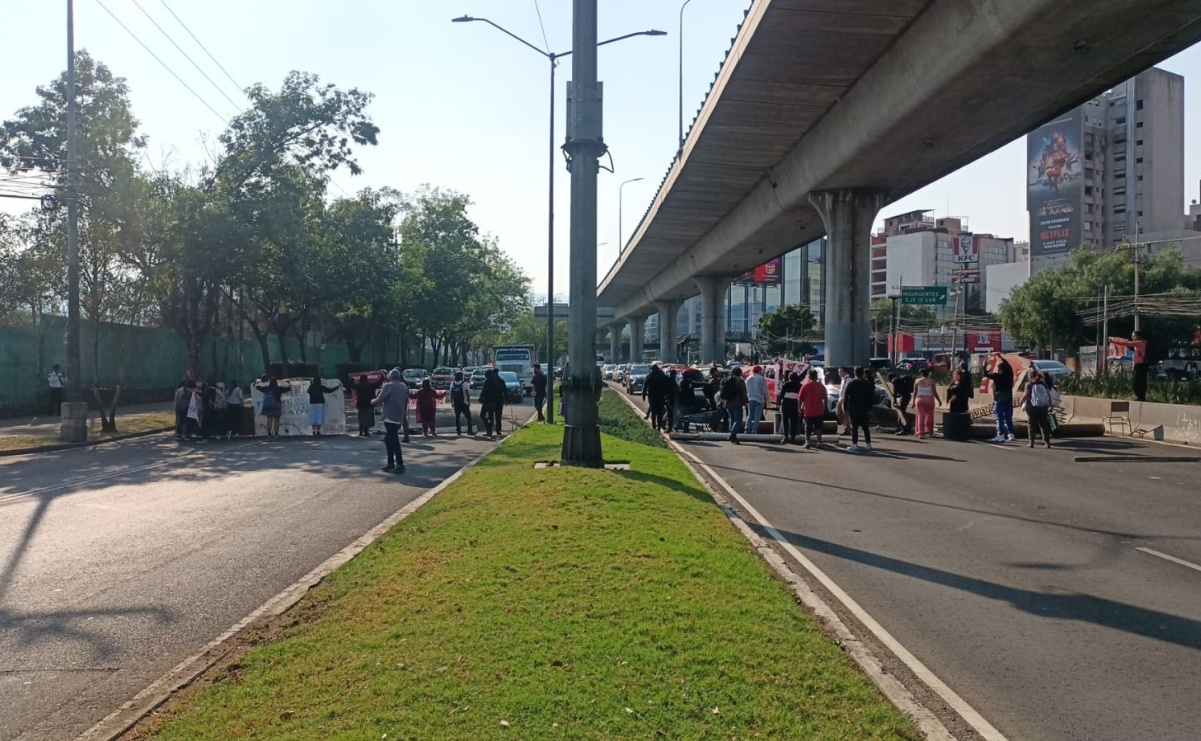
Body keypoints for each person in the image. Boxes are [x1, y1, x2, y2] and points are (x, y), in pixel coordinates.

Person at [372, 369, 409, 473]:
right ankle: (390, 463)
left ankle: (400, 464)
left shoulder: (388, 386)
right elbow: (406, 401)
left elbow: (380, 398)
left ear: (390, 377)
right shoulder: (404, 386)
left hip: (389, 417)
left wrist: (372, 401)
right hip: (399, 417)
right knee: (388, 441)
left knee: (394, 442)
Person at [1018, 369, 1054, 449]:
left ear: (1030, 376)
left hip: (1032, 407)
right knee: (1044, 424)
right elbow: (1049, 395)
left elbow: (1026, 395)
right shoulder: (1044, 384)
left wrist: (1020, 402)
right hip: (1043, 406)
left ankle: (1031, 442)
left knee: (1031, 424)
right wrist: (1050, 405)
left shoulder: (1029, 384)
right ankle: (1047, 443)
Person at [843, 366, 876, 453]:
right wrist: (870, 408)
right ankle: (868, 444)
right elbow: (871, 396)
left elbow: (846, 396)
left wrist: (845, 407)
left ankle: (855, 444)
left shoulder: (851, 384)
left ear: (855, 373)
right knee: (865, 427)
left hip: (853, 407)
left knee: (855, 427)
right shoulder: (867, 384)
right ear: (863, 373)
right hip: (864, 407)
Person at [985, 354, 1016, 443]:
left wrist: (985, 365)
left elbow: (986, 374)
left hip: (999, 398)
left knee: (999, 417)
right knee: (1008, 417)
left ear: (1000, 369)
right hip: (1009, 397)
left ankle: (1001, 435)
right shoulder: (1010, 374)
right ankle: (1011, 434)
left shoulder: (997, 376)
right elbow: (1008, 364)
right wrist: (1002, 357)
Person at [1110, 331, 1149, 401]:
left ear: (1139, 336)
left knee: (1138, 382)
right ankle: (1141, 396)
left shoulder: (1140, 343)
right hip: (1139, 365)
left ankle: (1141, 397)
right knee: (1139, 381)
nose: (1132, 337)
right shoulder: (1140, 343)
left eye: (1134, 336)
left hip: (1141, 365)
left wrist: (1113, 341)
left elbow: (1126, 343)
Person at [720, 366, 748, 444]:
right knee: (738, 420)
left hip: (728, 402)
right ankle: (732, 434)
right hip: (737, 402)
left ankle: (732, 434)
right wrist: (745, 402)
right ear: (739, 372)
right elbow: (743, 392)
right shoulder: (740, 381)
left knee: (732, 419)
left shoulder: (726, 380)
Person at [478, 368, 507, 438]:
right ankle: (497, 430)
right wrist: (506, 399)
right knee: (497, 416)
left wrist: (481, 398)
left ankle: (489, 429)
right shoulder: (499, 381)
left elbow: (484, 391)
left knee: (483, 415)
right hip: (497, 401)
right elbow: (504, 391)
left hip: (488, 401)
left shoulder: (487, 381)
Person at [913, 368, 941, 439]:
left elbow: (915, 393)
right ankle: (930, 432)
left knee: (920, 416)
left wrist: (913, 402)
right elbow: (934, 392)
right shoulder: (931, 381)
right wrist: (939, 400)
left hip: (919, 399)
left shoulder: (917, 381)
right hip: (929, 399)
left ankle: (921, 433)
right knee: (930, 416)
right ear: (928, 374)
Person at [642, 364, 671, 431]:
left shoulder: (649, 376)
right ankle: (658, 427)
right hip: (660, 396)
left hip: (652, 396)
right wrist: (667, 394)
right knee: (659, 412)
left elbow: (645, 386)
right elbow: (666, 385)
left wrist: (643, 395)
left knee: (654, 412)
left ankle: (654, 426)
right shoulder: (662, 375)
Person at [778, 371, 802, 444]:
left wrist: (779, 404)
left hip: (786, 403)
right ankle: (793, 437)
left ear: (789, 377)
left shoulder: (786, 384)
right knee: (794, 421)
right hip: (795, 403)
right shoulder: (800, 385)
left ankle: (785, 436)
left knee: (785, 420)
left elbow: (781, 395)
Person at [745, 365, 768, 435]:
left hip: (750, 398)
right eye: (761, 371)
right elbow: (764, 390)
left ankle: (747, 428)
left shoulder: (748, 379)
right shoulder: (761, 379)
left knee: (750, 414)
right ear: (758, 371)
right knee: (757, 416)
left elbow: (747, 390)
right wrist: (768, 400)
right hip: (759, 399)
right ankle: (754, 430)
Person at [450, 371, 474, 435]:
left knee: (457, 417)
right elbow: (467, 394)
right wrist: (468, 402)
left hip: (456, 403)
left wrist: (452, 402)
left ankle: (458, 431)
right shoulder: (465, 384)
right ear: (461, 377)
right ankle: (469, 430)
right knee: (468, 416)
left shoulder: (453, 384)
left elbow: (451, 394)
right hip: (463, 403)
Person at [835, 367, 853, 437]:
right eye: (839, 372)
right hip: (840, 398)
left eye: (840, 372)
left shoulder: (848, 379)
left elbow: (848, 390)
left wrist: (845, 398)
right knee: (838, 413)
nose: (839, 373)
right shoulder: (843, 379)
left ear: (845, 372)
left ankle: (847, 429)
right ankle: (847, 427)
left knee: (845, 415)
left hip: (845, 399)